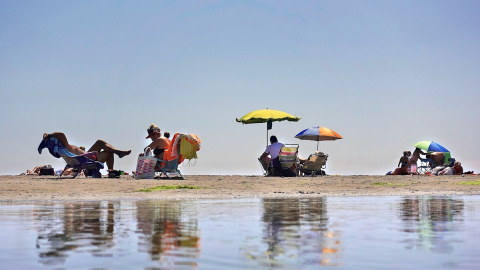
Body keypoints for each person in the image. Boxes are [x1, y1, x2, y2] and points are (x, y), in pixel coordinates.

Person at [42, 132, 131, 171]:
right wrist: (49, 135)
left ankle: (118, 154)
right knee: (102, 145)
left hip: (85, 157)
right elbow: (61, 134)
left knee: (101, 143)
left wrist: (48, 137)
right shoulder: (66, 147)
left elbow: (60, 135)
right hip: (87, 159)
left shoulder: (63, 150)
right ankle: (116, 159)